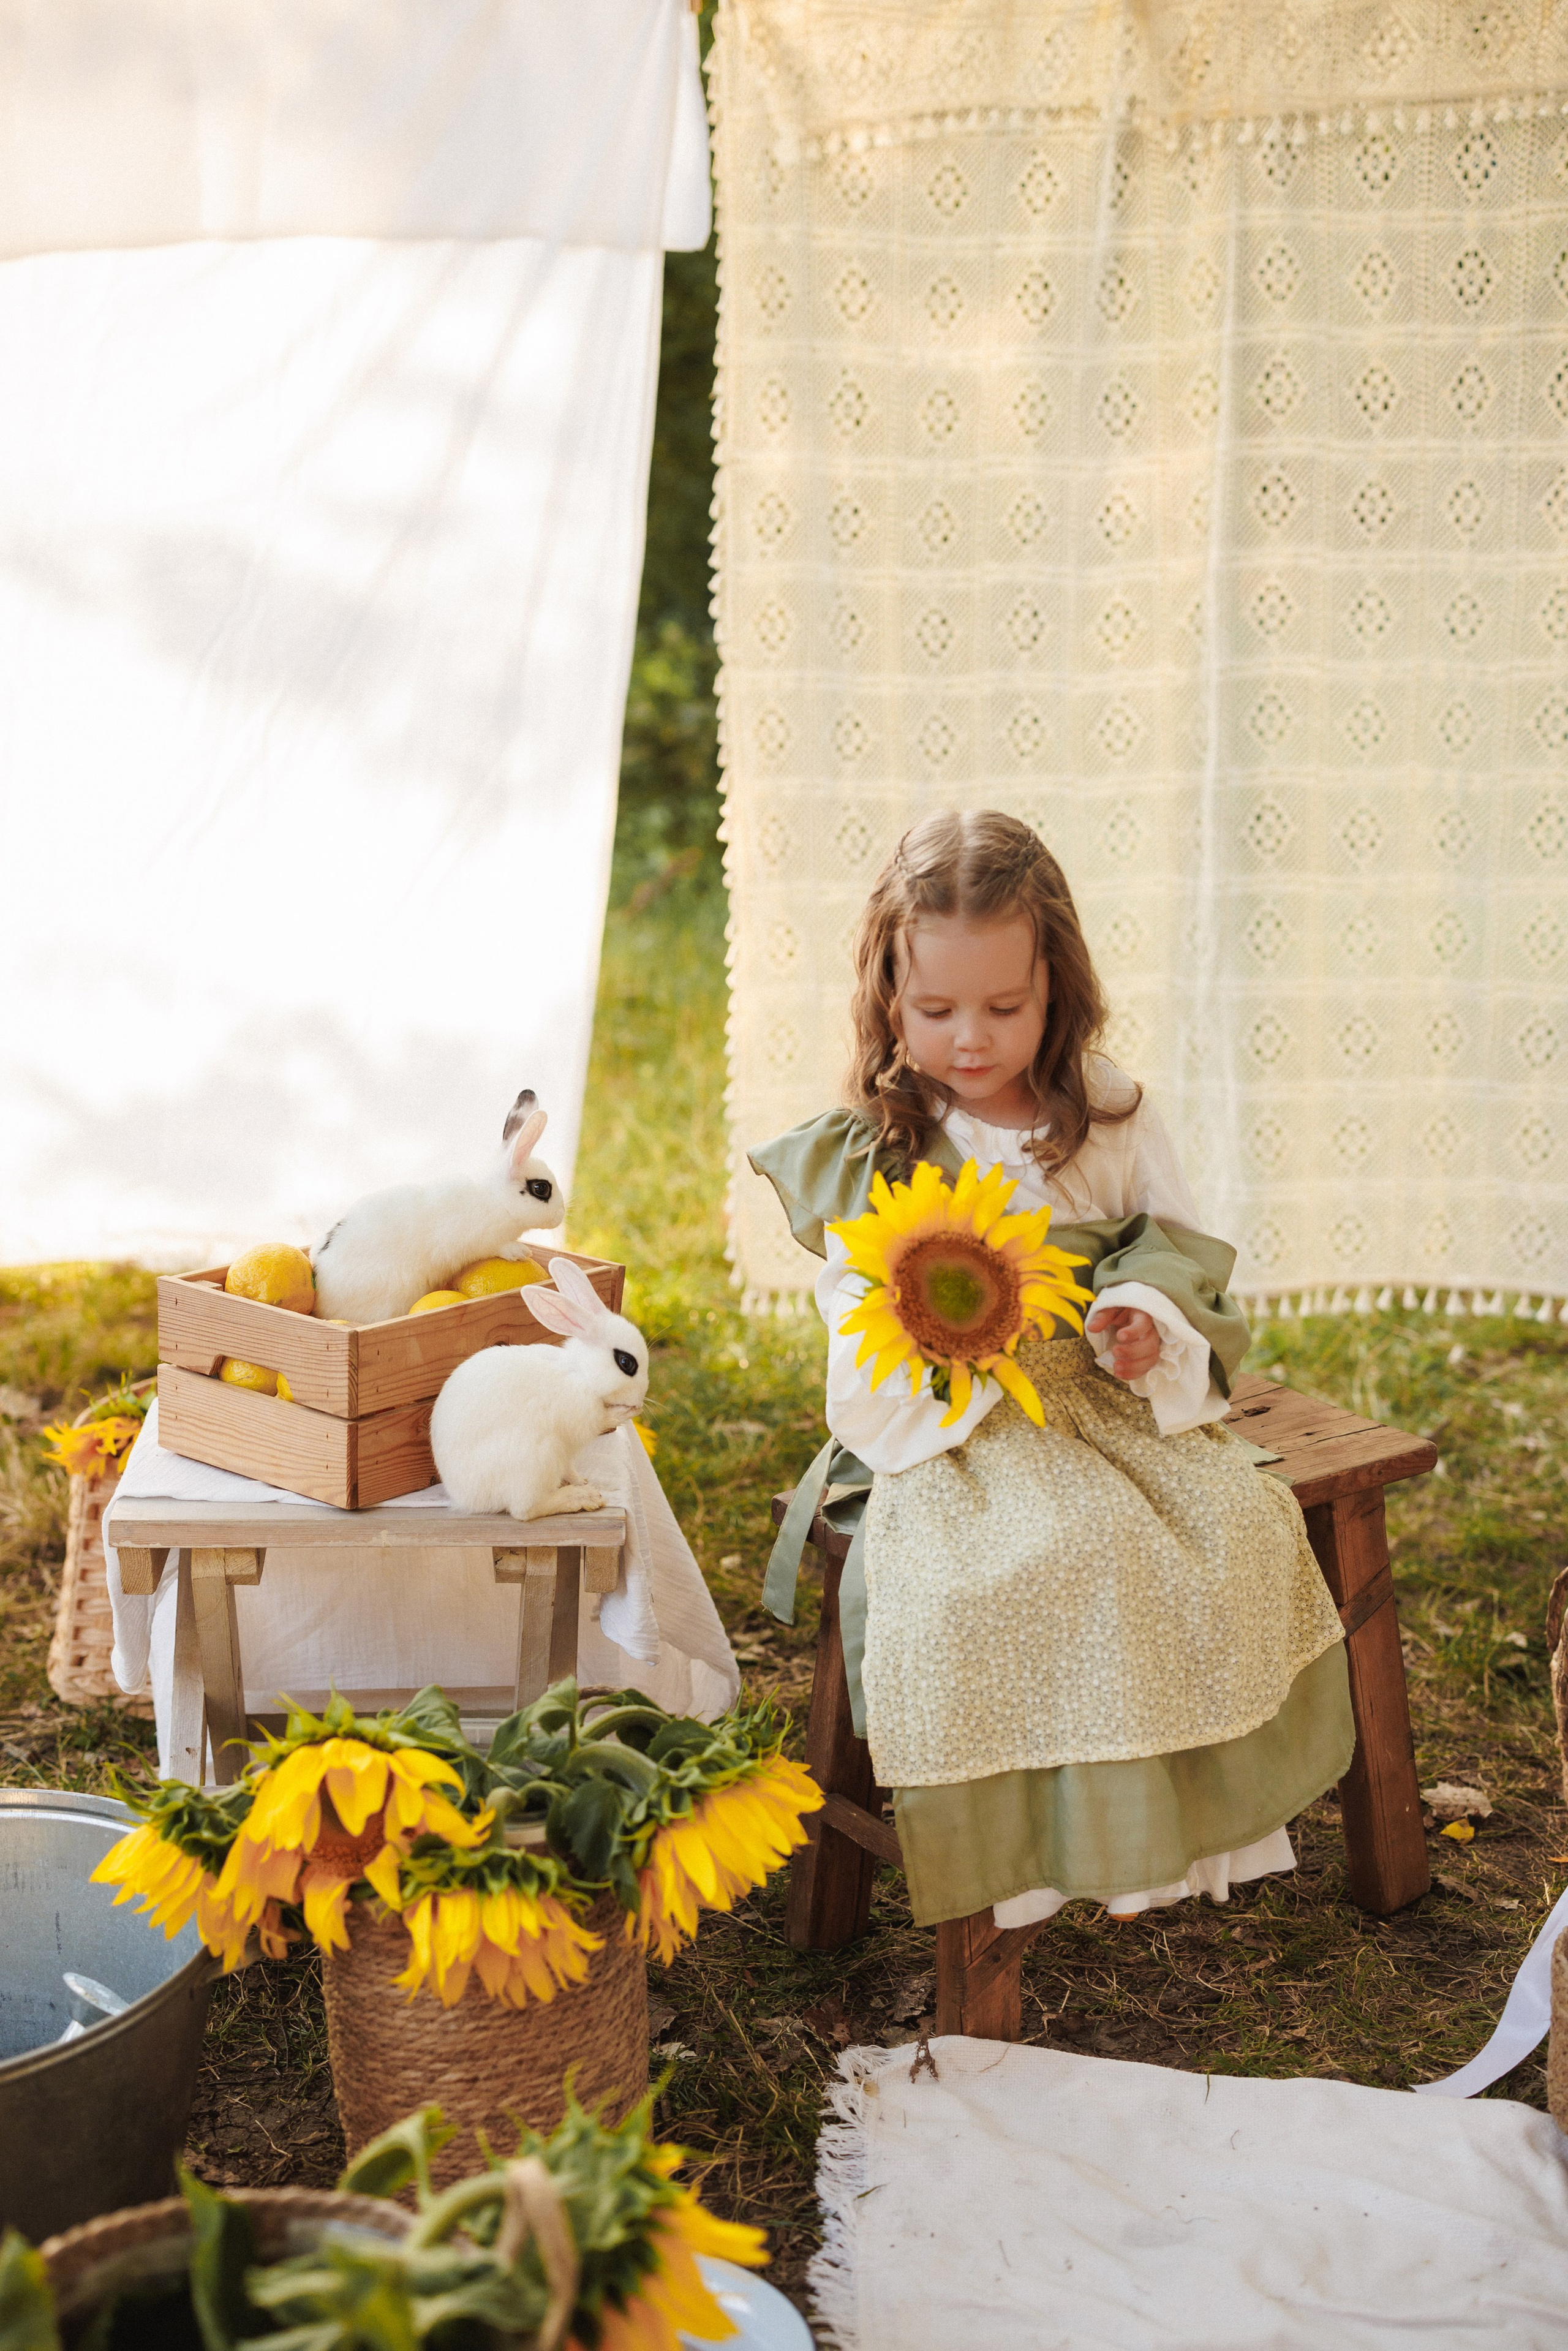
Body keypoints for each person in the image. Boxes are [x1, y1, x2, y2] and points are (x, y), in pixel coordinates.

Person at [752, 809, 1351, 1931]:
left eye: (1004, 1007)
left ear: (1056, 990)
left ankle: (1165, 1823)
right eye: (936, 1010)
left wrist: (1143, 1322)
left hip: (1103, 1402)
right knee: (1045, 1559)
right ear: (889, 994)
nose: (970, 1039)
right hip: (959, 1428)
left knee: (1222, 1531)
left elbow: (1175, 1254)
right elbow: (855, 1307)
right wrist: (941, 1343)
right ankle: (1033, 1846)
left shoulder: (1108, 1118)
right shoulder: (879, 1144)